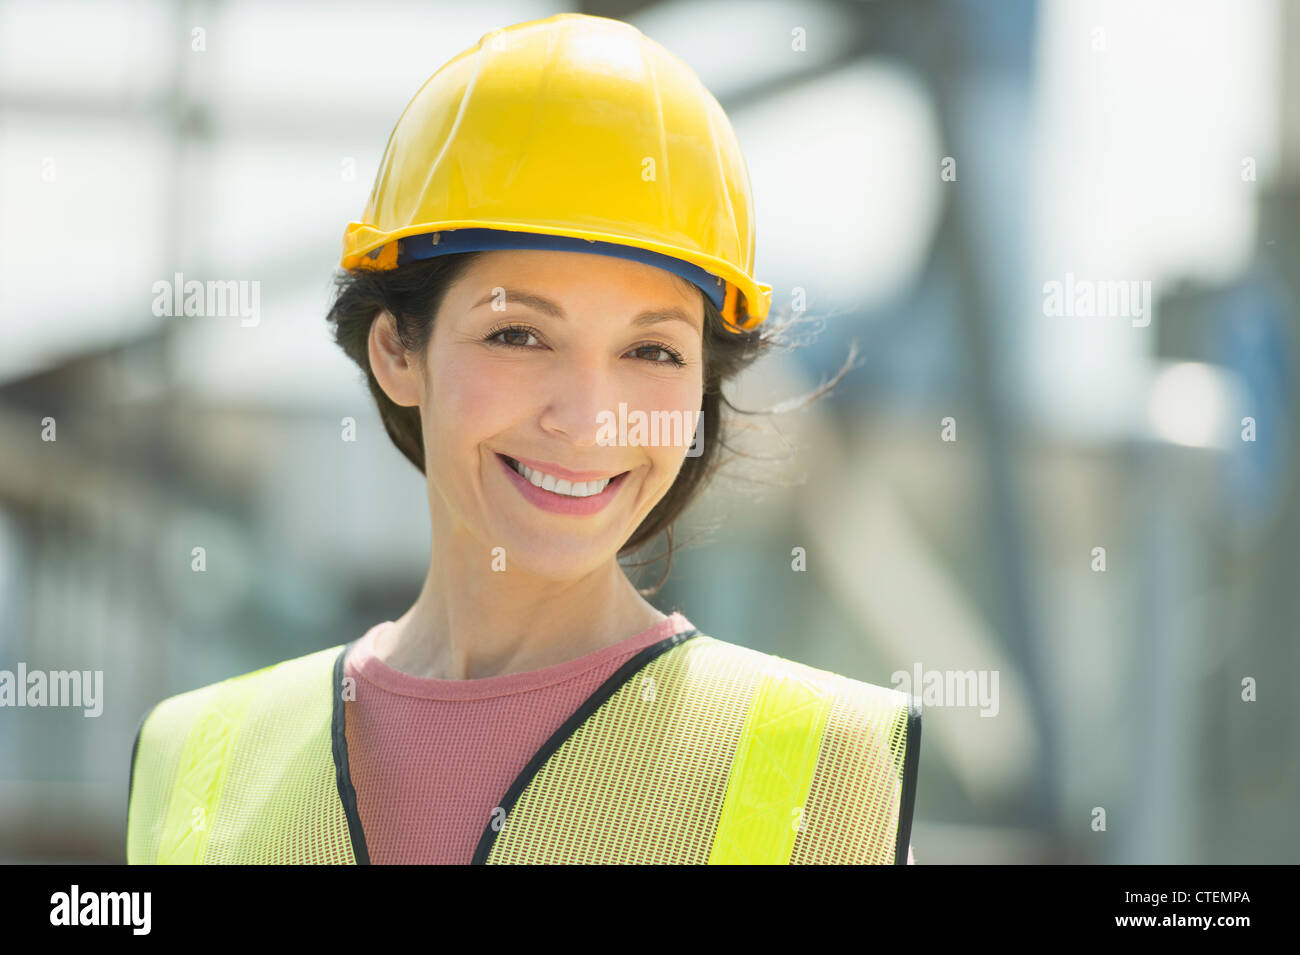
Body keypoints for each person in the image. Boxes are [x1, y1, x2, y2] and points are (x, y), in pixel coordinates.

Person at [126, 12, 920, 865]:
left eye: (651, 350)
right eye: (518, 335)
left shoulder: (822, 768)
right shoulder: (196, 760)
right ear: (397, 347)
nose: (587, 418)